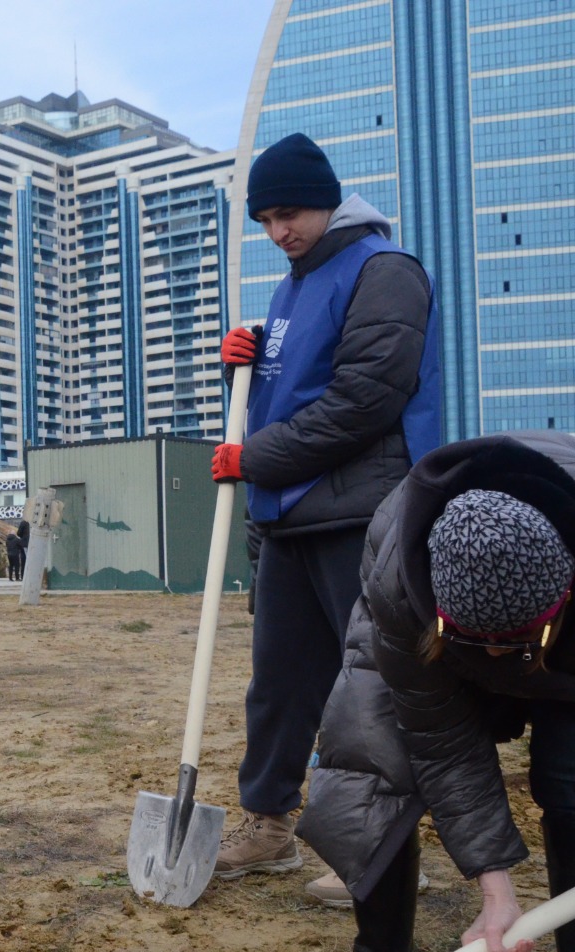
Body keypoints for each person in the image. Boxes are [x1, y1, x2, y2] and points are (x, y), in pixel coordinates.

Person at [289, 433, 575, 952]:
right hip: (424, 641)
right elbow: (443, 743)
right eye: (485, 642)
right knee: (368, 752)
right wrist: (496, 894)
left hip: (565, 650)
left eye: (515, 641)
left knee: (571, 782)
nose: (503, 657)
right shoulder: (400, 576)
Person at [209, 132, 442, 887]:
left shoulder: (384, 270)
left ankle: (375, 846)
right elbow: (286, 400)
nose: (280, 232)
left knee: (370, 688)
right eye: (267, 220)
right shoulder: (289, 288)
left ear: (327, 199)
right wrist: (243, 374)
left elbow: (365, 400)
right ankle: (269, 822)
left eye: (290, 214)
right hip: (289, 519)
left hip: (363, 516)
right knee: (278, 683)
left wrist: (257, 459)